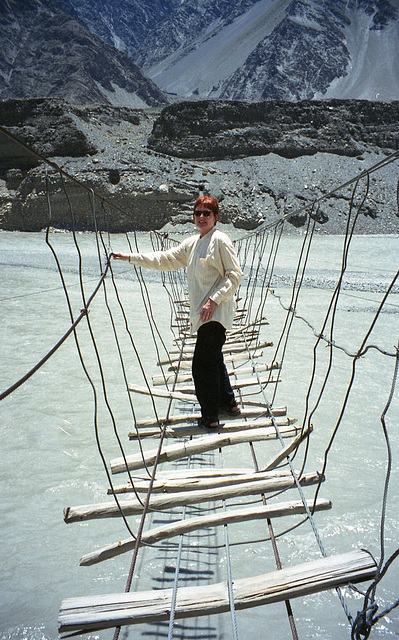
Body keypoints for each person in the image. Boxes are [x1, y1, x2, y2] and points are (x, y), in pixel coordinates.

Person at [112, 195, 243, 429]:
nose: (201, 217)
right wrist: (132, 258)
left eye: (207, 213)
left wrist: (213, 301)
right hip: (203, 314)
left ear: (216, 217)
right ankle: (229, 404)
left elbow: (235, 275)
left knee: (201, 365)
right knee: (213, 357)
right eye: (198, 213)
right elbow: (166, 259)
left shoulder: (220, 240)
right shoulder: (192, 243)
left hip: (215, 312)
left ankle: (210, 416)